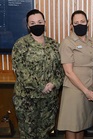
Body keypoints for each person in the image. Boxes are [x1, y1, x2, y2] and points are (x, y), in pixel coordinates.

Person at [12, 9, 64, 139]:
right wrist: (42, 86)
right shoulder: (21, 45)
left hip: (49, 100)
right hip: (27, 100)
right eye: (33, 23)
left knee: (45, 133)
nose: (37, 25)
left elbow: (60, 69)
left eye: (40, 22)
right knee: (28, 134)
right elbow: (21, 72)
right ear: (28, 26)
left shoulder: (53, 44)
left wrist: (53, 84)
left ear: (45, 22)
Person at [57, 10, 93, 139]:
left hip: (90, 90)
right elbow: (68, 72)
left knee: (82, 124)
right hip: (74, 90)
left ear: (87, 23)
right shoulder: (67, 43)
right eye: (76, 22)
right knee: (72, 126)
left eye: (82, 21)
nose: (79, 24)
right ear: (71, 26)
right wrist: (86, 91)